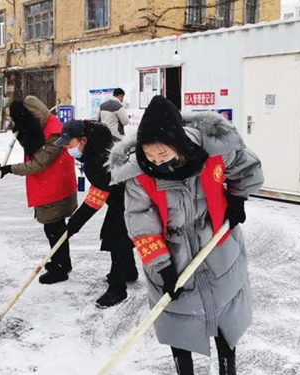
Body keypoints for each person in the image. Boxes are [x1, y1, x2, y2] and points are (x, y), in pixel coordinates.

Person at [109, 96, 264, 375]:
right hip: (173, 255)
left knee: (225, 319)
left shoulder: (214, 151)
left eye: (164, 156)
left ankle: (228, 367)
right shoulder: (139, 176)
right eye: (151, 157)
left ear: (179, 147)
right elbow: (141, 223)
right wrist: (162, 266)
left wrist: (238, 199)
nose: (157, 163)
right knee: (178, 322)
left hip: (219, 247)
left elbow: (246, 168)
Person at [54, 119, 138, 308]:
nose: (67, 148)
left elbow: (95, 200)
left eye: (70, 144)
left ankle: (118, 289)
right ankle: (129, 272)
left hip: (131, 197)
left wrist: (72, 227)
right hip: (121, 195)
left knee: (115, 236)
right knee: (120, 234)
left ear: (83, 140)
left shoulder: (101, 158)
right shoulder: (97, 148)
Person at [0, 96, 78, 284]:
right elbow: (32, 146)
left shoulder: (55, 133)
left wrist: (10, 169)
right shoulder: (43, 125)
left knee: (54, 229)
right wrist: (22, 135)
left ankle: (61, 267)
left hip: (56, 188)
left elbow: (38, 163)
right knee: (54, 228)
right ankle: (62, 262)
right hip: (51, 186)